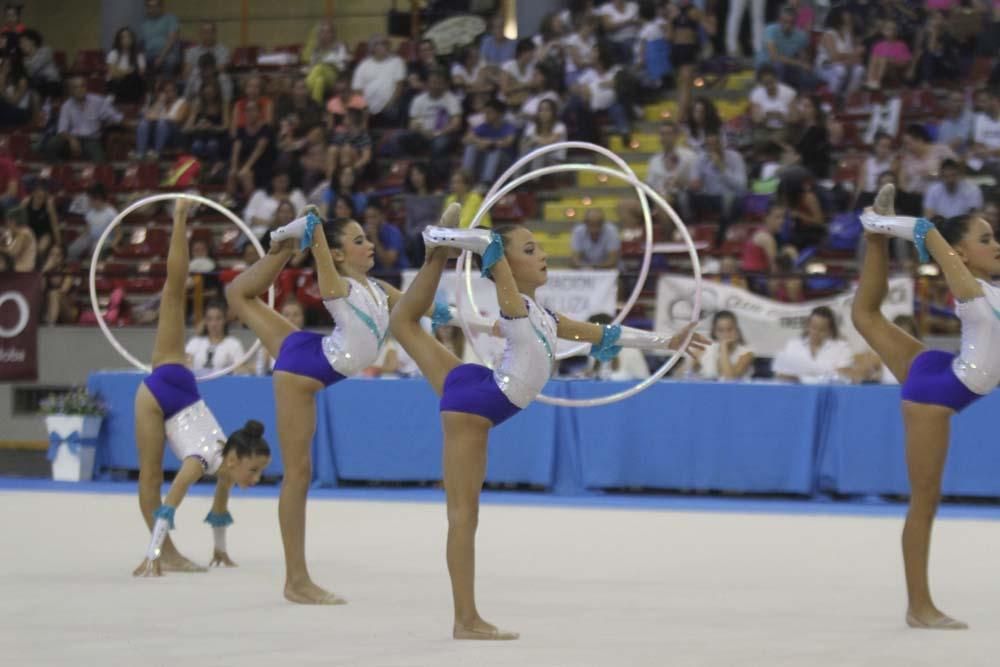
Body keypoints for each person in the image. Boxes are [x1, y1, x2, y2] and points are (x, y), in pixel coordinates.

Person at [388, 204, 707, 639]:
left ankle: (434, 254)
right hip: (474, 407)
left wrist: (666, 341)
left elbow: (605, 334)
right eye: (530, 249)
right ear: (508, 263)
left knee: (405, 324)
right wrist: (449, 235)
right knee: (463, 516)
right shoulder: (513, 304)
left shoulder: (543, 316)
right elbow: (488, 246)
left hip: (476, 382)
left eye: (540, 249)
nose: (543, 256)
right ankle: (465, 620)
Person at [225, 205, 462, 603]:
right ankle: (295, 580)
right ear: (335, 254)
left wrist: (484, 323)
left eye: (367, 239)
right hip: (300, 376)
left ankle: (280, 245)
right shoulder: (335, 285)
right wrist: (311, 228)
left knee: (238, 293)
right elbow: (320, 248)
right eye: (358, 241)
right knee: (298, 476)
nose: (370, 244)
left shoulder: (379, 290)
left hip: (307, 348)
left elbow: (425, 306)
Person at [852, 184, 1000, 629]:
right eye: (986, 238)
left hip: (938, 367)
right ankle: (919, 607)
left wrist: (879, 230)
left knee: (866, 316)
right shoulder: (970, 291)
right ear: (961, 253)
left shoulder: (991, 291)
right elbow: (927, 231)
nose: (997, 244)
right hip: (937, 396)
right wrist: (883, 222)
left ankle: (873, 240)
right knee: (924, 502)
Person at [132, 199, 271, 577]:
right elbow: (170, 504)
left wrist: (220, 550)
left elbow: (219, 512)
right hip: (164, 387)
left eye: (257, 474)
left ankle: (179, 216)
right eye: (255, 471)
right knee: (174, 293)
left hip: (177, 382)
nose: (255, 480)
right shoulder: (203, 462)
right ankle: (166, 553)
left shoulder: (226, 463)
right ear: (237, 459)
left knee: (174, 294)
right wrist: (153, 551)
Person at [43, 76, 123, 162]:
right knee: (51, 145)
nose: (80, 89)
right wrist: (72, 140)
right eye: (76, 87)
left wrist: (119, 122)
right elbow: (62, 130)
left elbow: (116, 117)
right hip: (72, 137)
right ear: (71, 91)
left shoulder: (98, 101)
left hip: (91, 139)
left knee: (100, 161)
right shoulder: (66, 106)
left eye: (82, 86)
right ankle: (61, 170)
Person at [772, 305, 853, 383]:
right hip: (798, 392)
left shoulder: (841, 348)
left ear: (830, 330)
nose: (816, 333)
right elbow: (780, 374)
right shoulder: (793, 345)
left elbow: (845, 375)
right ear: (808, 325)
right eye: (813, 327)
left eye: (822, 330)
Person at [461, 98, 517, 188]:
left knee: (494, 150)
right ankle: (465, 178)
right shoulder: (484, 126)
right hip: (486, 160)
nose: (485, 116)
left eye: (489, 113)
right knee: (471, 147)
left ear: (499, 114)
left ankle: (485, 183)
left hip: (505, 162)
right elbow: (465, 139)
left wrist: (490, 143)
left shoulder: (508, 126)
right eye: (485, 113)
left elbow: (508, 142)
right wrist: (480, 141)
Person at [350, 35, 406, 124]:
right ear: (373, 48)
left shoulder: (397, 62)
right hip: (366, 109)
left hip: (389, 106)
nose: (386, 46)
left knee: (392, 111)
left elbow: (399, 86)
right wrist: (365, 106)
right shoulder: (363, 65)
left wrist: (389, 104)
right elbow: (357, 89)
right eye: (382, 44)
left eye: (387, 44)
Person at [757, 5, 813, 90]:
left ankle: (803, 97)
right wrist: (800, 64)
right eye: (784, 21)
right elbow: (774, 57)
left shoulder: (801, 36)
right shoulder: (770, 30)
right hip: (767, 65)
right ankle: (776, 94)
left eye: (791, 22)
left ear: (795, 22)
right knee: (779, 65)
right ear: (779, 20)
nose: (787, 25)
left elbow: (803, 57)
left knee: (810, 75)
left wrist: (806, 65)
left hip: (788, 65)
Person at [185, 300, 247, 376]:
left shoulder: (234, 344)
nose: (214, 324)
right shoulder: (195, 342)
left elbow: (241, 371)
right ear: (205, 321)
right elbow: (186, 365)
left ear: (224, 320)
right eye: (210, 319)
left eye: (218, 319)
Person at [815, 7, 865, 98]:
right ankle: (833, 98)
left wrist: (855, 58)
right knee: (840, 71)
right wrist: (853, 55)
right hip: (825, 65)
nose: (849, 16)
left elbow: (855, 55)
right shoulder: (829, 34)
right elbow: (834, 56)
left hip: (844, 63)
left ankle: (849, 98)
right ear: (838, 17)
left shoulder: (848, 34)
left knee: (859, 70)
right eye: (846, 14)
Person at [689, 310, 754, 380]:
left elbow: (729, 380)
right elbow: (682, 376)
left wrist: (723, 347)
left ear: (737, 330)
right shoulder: (702, 350)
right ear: (714, 332)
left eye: (730, 329)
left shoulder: (746, 354)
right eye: (720, 330)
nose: (725, 334)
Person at [134, 78, 188, 159]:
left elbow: (178, 119)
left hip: (174, 134)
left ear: (175, 91)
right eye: (165, 92)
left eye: (170, 91)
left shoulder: (182, 102)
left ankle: (157, 153)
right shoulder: (160, 103)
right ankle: (141, 153)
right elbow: (148, 117)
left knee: (162, 123)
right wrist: (159, 103)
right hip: (156, 133)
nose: (168, 94)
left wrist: (161, 119)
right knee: (143, 123)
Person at [67, 183, 120, 261]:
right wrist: (80, 239)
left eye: (90, 199)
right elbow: (87, 230)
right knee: (73, 249)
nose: (88, 201)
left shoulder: (111, 213)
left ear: (98, 198)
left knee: (95, 249)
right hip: (91, 238)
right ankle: (72, 269)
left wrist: (113, 245)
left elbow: (118, 234)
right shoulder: (90, 212)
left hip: (105, 240)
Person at [22, 177, 60, 259]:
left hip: (45, 233)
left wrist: (58, 244)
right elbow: (20, 222)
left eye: (43, 197)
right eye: (38, 196)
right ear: (33, 193)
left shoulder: (49, 205)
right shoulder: (25, 203)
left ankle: (37, 265)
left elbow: (55, 225)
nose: (40, 199)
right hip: (30, 232)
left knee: (41, 246)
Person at [106, 27, 146, 104]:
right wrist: (128, 71)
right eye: (123, 37)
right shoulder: (113, 54)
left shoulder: (139, 55)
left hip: (134, 85)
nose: (126, 40)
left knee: (135, 79)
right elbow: (113, 74)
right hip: (116, 84)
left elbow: (140, 74)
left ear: (132, 39)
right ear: (119, 40)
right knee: (123, 79)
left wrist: (120, 72)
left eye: (128, 37)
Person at [141, 0, 181, 76]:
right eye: (150, 7)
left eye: (155, 6)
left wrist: (161, 57)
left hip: (167, 54)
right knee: (136, 63)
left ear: (161, 7)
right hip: (148, 54)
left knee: (170, 61)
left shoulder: (170, 18)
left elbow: (172, 40)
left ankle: (163, 86)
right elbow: (142, 43)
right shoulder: (145, 22)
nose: (153, 9)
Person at [19, 28, 60, 99]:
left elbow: (32, 70)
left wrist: (26, 65)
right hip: (36, 85)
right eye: (20, 43)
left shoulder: (46, 51)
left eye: (24, 42)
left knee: (33, 83)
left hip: (52, 83)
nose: (21, 45)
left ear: (32, 42)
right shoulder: (24, 59)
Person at [0, 203, 34, 271]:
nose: (7, 223)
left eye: (8, 221)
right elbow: (8, 242)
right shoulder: (16, 231)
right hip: (16, 266)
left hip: (23, 270)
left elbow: (12, 252)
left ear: (14, 221)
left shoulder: (24, 233)